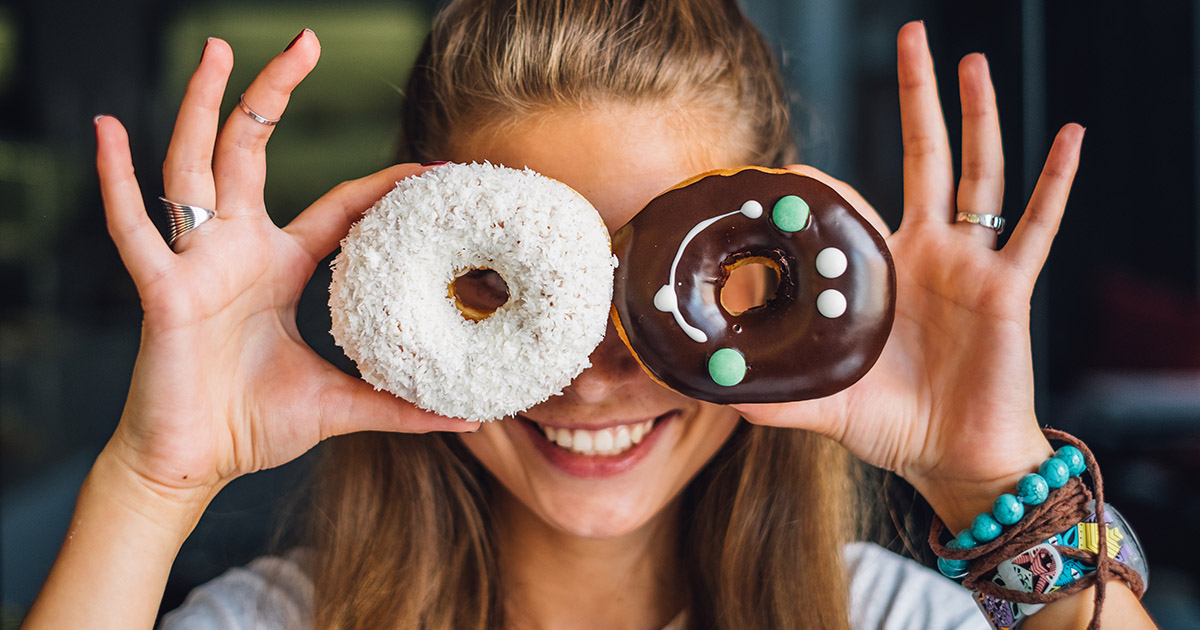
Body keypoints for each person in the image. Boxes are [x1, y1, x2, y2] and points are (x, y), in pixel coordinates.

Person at [24, 1, 1157, 628]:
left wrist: (987, 484)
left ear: (774, 285)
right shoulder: (264, 624)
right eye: (503, 290)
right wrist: (154, 483)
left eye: (674, 288)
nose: (594, 373)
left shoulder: (898, 623)